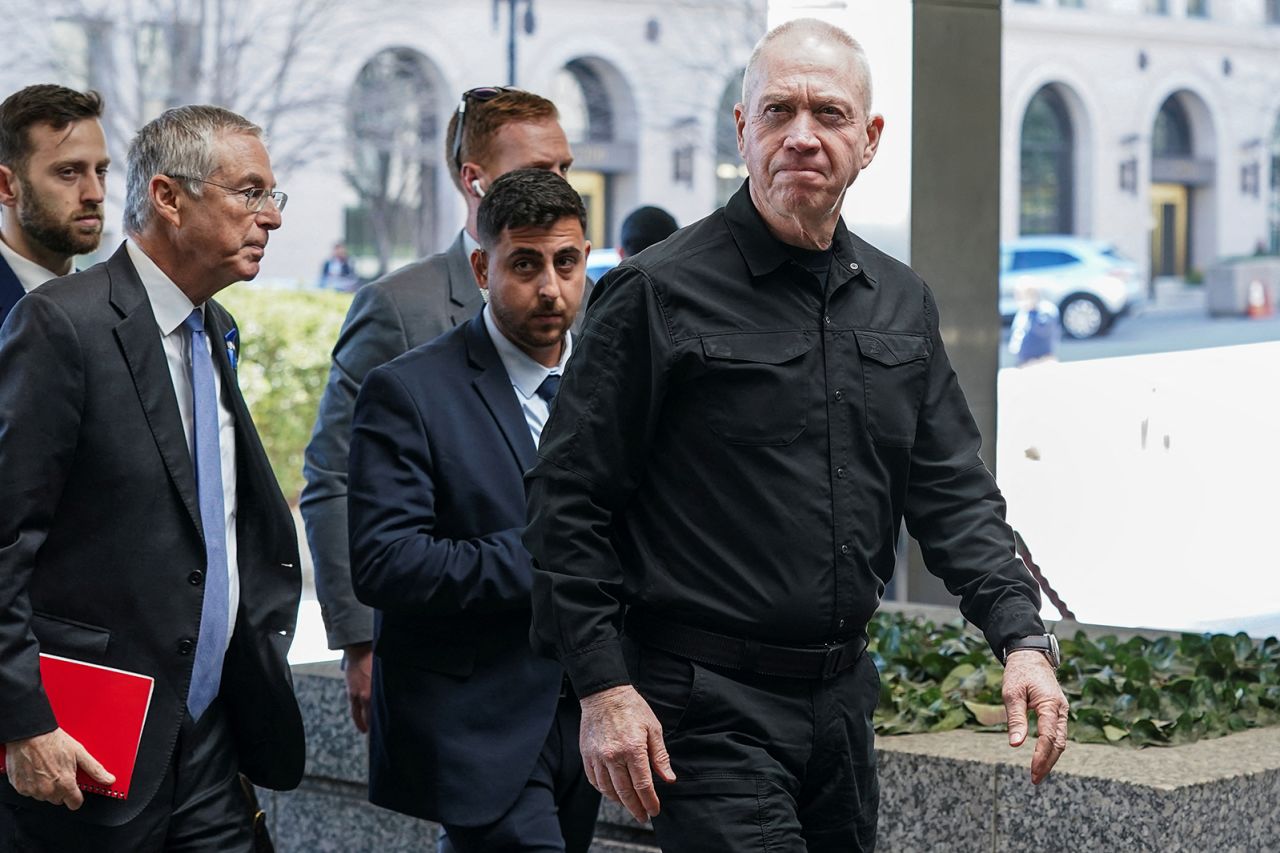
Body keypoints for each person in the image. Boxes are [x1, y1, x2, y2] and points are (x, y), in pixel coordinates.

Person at [523, 18, 1069, 852]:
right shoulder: (655, 294)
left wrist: (1021, 637)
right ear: (743, 130)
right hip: (705, 707)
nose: (803, 136)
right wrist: (603, 686)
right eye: (778, 111)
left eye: (831, 114)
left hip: (843, 703)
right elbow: (567, 502)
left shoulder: (900, 303)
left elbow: (954, 492)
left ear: (871, 138)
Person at [0, 105, 304, 851]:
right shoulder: (59, 326)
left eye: (273, 196)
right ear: (169, 198)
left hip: (210, 742)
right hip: (86, 743)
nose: (270, 218)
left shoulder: (215, 330)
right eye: (250, 192)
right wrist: (25, 722)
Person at [301, 87, 576, 735]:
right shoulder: (400, 307)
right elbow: (334, 476)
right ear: (473, 179)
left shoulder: (584, 299)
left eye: (565, 167)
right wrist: (361, 640)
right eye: (540, 171)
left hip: (573, 663)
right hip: (459, 658)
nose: (560, 186)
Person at [347, 169, 598, 851]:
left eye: (566, 262)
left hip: (596, 714)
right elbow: (384, 561)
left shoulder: (610, 382)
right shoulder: (407, 391)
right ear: (483, 266)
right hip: (478, 723)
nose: (551, 287)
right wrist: (550, 558)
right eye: (526, 264)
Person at [0, 84, 109, 327]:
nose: (96, 194)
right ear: (6, 186)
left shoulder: (116, 309)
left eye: (101, 171)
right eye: (68, 172)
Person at [1007, 281, 1061, 366]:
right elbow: (1018, 331)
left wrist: (1033, 311)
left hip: (1042, 361)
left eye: (1023, 296)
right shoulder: (1023, 312)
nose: (1020, 300)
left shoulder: (1046, 311)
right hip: (1024, 363)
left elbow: (1044, 330)